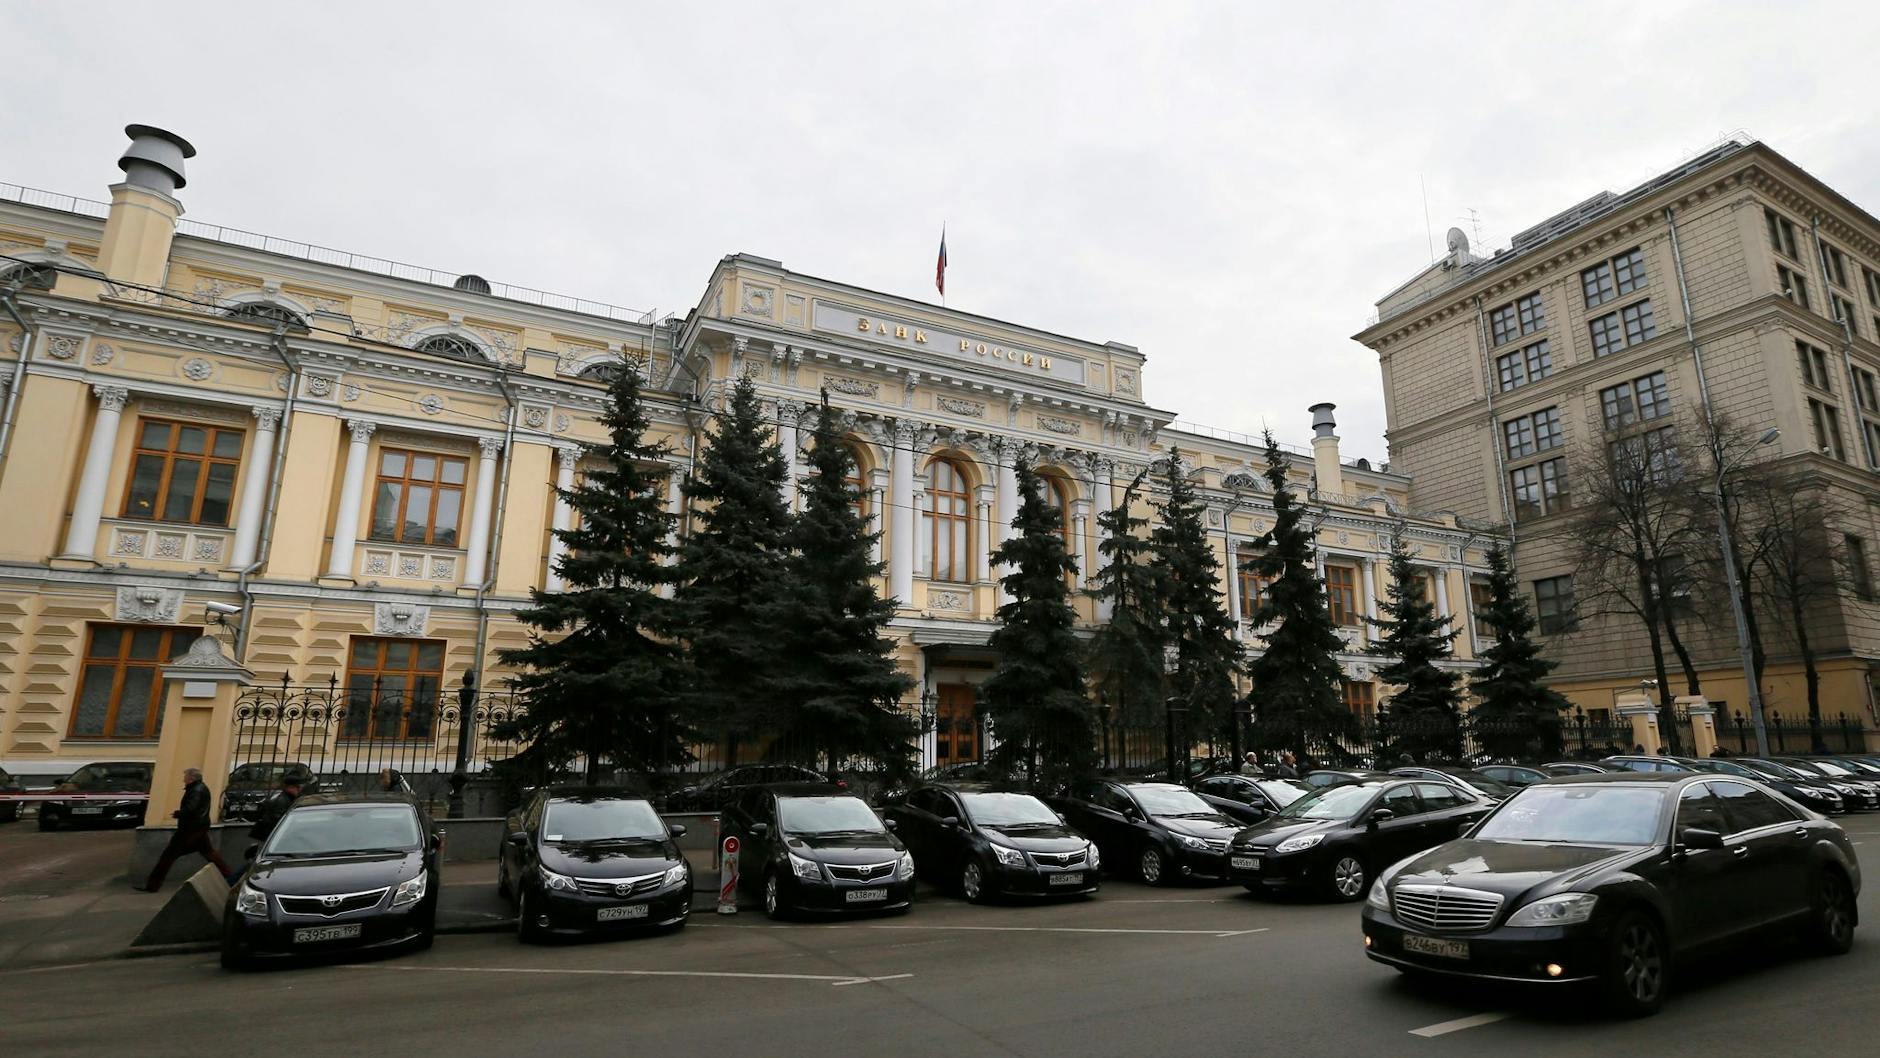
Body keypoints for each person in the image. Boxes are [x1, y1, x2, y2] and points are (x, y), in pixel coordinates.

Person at [140, 767, 236, 891]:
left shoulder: (195, 790)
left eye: (185, 777)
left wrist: (179, 813)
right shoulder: (200, 788)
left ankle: (152, 885)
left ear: (191, 778)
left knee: (168, 856)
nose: (183, 779)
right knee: (210, 854)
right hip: (198, 827)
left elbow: (191, 808)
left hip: (190, 829)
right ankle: (232, 878)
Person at [248, 770, 305, 845]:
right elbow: (279, 821)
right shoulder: (282, 801)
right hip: (278, 838)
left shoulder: (288, 798)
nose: (300, 790)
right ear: (292, 787)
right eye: (299, 787)